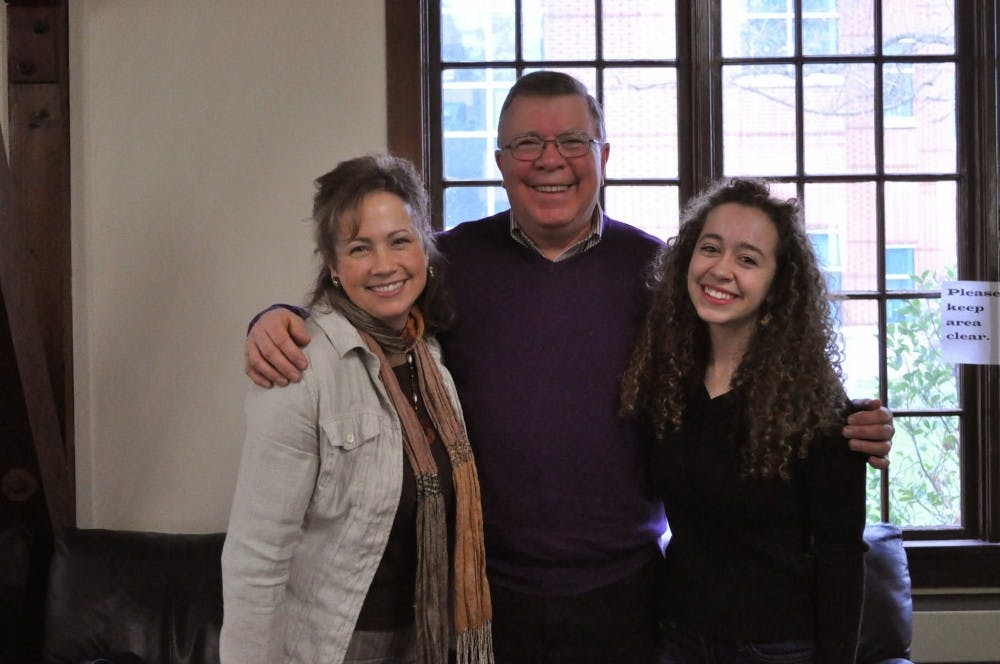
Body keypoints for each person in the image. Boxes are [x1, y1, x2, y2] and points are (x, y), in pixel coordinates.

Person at [242, 72, 893, 663]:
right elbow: (371, 294)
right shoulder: (449, 263)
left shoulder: (661, 274)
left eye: (573, 141)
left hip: (631, 599)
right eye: (526, 143)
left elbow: (750, 359)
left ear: (604, 156)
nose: (549, 159)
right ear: (499, 162)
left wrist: (845, 423)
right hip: (487, 596)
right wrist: (280, 317)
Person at [220, 154, 493, 663]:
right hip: (338, 644)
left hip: (430, 635)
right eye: (360, 247)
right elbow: (256, 559)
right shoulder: (300, 366)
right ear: (333, 264)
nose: (384, 265)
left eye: (400, 241)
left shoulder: (431, 353)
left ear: (425, 250)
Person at [620, 177, 867, 662]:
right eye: (710, 248)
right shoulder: (665, 384)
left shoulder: (818, 407)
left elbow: (841, 558)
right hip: (677, 639)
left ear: (779, 285)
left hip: (777, 647)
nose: (721, 269)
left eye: (748, 259)